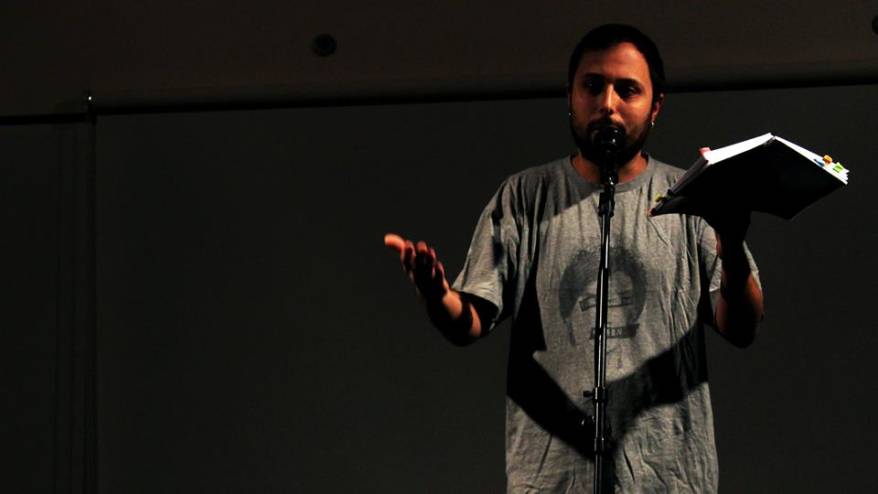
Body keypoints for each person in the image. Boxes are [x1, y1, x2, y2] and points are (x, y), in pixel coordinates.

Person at [385, 24, 764, 493]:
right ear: (570, 95)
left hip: (668, 478)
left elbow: (741, 327)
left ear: (656, 105)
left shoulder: (692, 196)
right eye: (592, 86)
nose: (607, 104)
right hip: (552, 481)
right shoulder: (524, 197)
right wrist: (436, 294)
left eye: (627, 90)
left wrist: (731, 243)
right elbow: (469, 320)